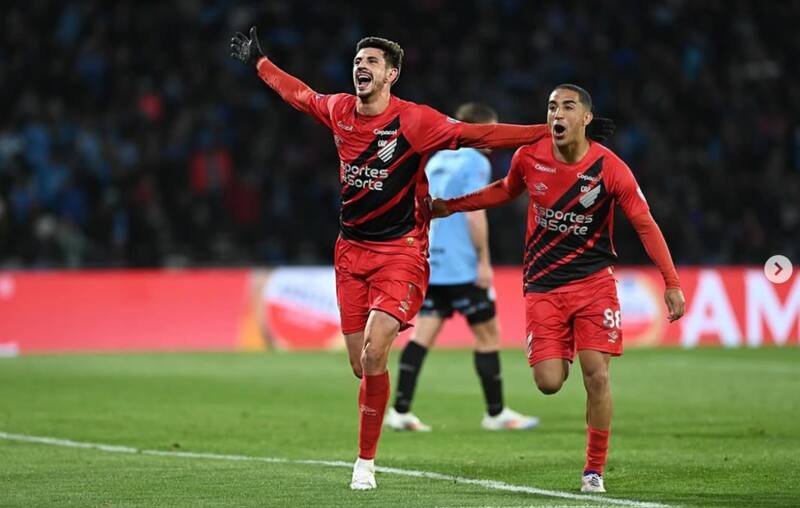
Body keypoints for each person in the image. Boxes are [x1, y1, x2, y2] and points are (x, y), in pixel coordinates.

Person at [230, 30, 614, 491]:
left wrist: (550, 130)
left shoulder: (414, 121)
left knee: (376, 349)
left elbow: (480, 133)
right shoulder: (339, 111)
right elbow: (300, 94)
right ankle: (391, 411)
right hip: (351, 251)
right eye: (357, 58)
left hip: (402, 252)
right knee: (361, 363)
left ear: (392, 74)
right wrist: (260, 63)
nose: (361, 65)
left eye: (372, 60)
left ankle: (364, 463)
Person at [432, 84, 685, 493]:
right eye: (551, 107)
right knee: (549, 382)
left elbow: (644, 222)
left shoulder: (610, 168)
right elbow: (503, 191)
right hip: (543, 285)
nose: (557, 114)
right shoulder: (530, 157)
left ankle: (593, 471)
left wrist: (671, 283)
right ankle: (564, 343)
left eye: (567, 107)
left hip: (593, 283)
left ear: (585, 117)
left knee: (597, 376)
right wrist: (453, 204)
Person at [385, 102, 538, 432]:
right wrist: (483, 260)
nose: (492, 139)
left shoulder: (437, 158)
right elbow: (474, 210)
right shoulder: (475, 160)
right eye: (491, 130)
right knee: (488, 334)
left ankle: (399, 410)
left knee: (424, 333)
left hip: (432, 260)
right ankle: (496, 413)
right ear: (478, 129)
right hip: (461, 264)